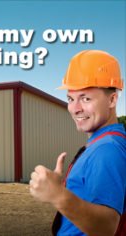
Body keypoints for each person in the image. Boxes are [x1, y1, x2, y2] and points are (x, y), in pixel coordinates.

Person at [29, 50, 126, 236]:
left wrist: (58, 195)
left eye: (86, 98)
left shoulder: (107, 149)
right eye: (70, 99)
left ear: (112, 99)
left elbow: (107, 228)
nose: (75, 109)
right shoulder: (102, 143)